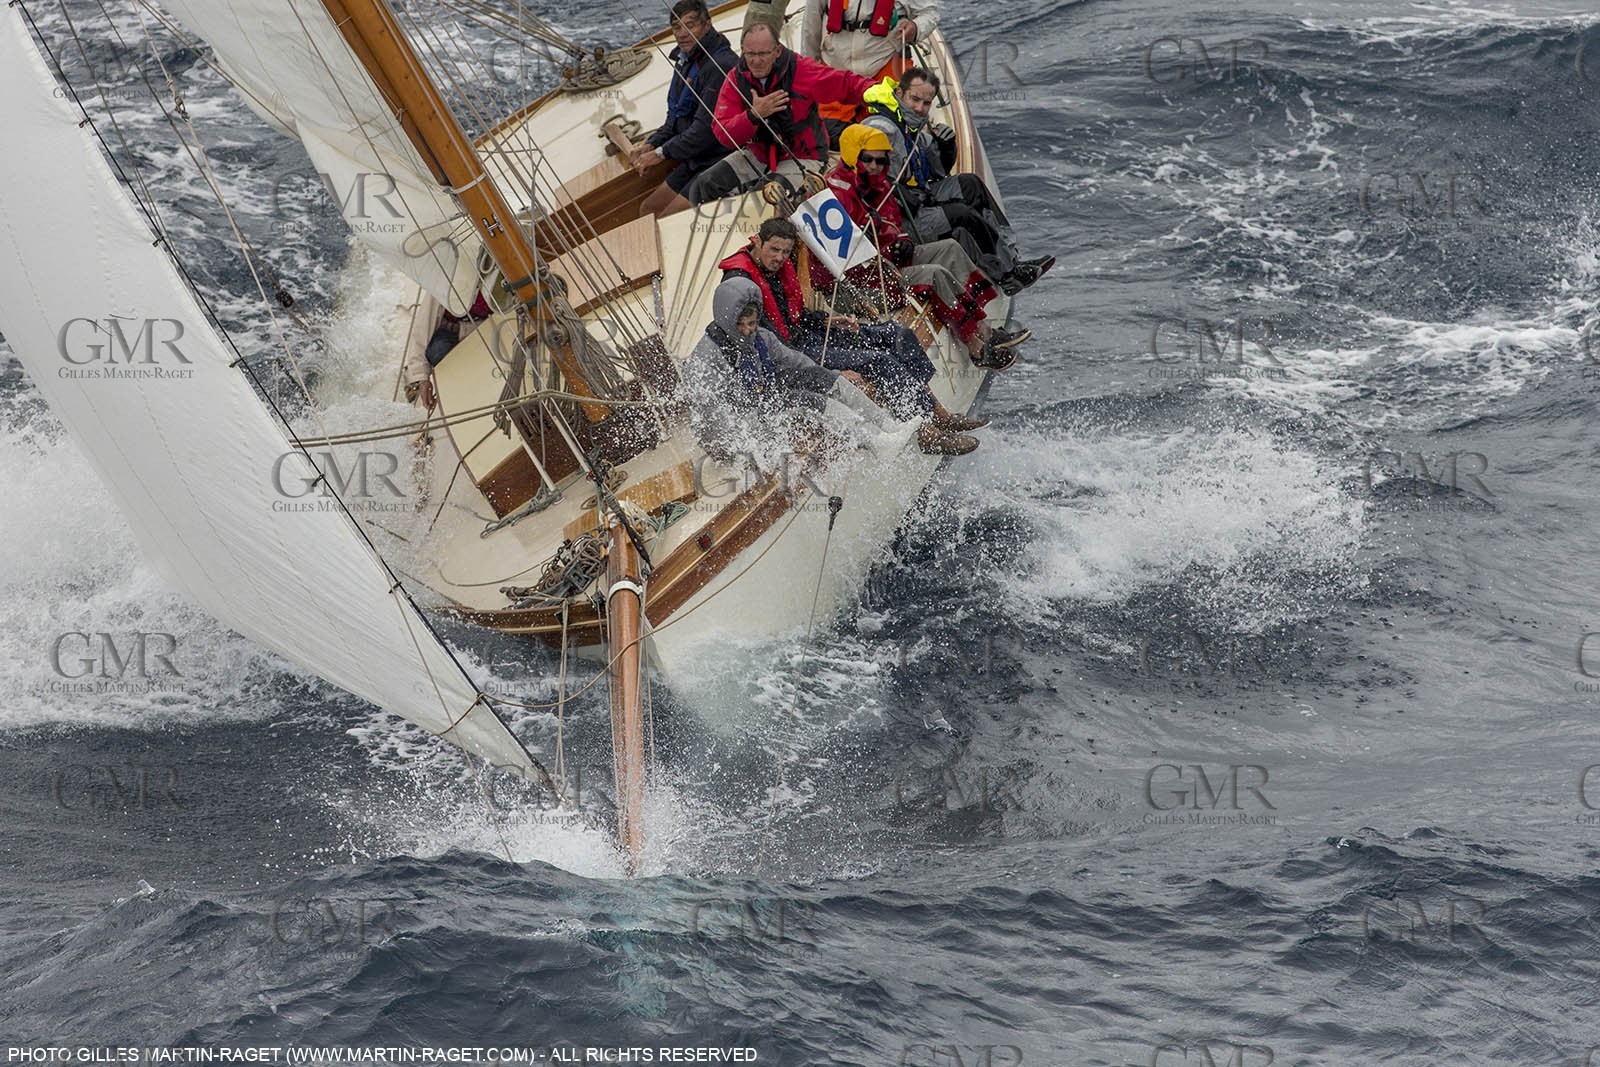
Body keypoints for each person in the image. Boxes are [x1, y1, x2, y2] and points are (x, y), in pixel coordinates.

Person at [720, 217, 985, 453]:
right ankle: (926, 433)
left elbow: (795, 317)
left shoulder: (778, 269)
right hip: (791, 356)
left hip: (805, 336)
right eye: (773, 249)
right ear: (758, 242)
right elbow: (761, 343)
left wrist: (828, 321)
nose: (779, 257)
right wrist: (828, 372)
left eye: (785, 252)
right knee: (877, 360)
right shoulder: (740, 280)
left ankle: (938, 412)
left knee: (895, 333)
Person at [823, 123, 1029, 369]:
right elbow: (849, 255)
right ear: (852, 156)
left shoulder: (879, 185)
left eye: (881, 160)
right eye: (868, 159)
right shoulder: (838, 197)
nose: (875, 166)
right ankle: (975, 349)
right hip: (867, 282)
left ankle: (984, 328)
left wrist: (901, 243)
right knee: (934, 275)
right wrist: (888, 248)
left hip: (890, 260)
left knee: (950, 248)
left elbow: (893, 225)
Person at [862, 67, 1055, 294]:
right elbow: (865, 174)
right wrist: (896, 191)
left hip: (920, 198)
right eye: (914, 99)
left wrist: (946, 147)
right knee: (962, 215)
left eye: (926, 104)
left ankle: (1012, 261)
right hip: (899, 218)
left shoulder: (910, 126)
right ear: (900, 93)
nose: (919, 108)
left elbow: (938, 170)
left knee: (970, 185)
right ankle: (1005, 276)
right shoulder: (881, 128)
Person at [683, 276, 914, 458]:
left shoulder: (760, 338)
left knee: (823, 378)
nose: (747, 331)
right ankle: (875, 442)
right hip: (737, 433)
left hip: (762, 403)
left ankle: (887, 426)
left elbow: (798, 364)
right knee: (809, 401)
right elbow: (711, 423)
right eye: (740, 325)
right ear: (726, 322)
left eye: (752, 323)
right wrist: (756, 450)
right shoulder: (706, 361)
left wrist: (829, 376)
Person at [685, 22, 876, 206]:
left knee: (764, 198)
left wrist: (872, 91)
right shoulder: (735, 79)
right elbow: (722, 133)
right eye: (750, 54)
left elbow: (843, 84)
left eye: (763, 54)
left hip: (804, 155)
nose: (756, 61)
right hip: (760, 154)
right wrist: (753, 115)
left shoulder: (800, 70)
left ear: (777, 51)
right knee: (703, 186)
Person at [630, 0, 739, 218]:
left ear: (707, 25)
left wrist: (660, 154)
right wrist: (652, 143)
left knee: (665, 220)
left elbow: (704, 132)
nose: (682, 34)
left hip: (720, 160)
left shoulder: (721, 66)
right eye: (676, 27)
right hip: (696, 159)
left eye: (690, 25)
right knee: (647, 211)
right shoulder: (686, 60)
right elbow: (675, 118)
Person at [799, 0, 938, 142]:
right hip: (837, 70)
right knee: (829, 135)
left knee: (890, 133)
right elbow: (811, 23)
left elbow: (930, 12)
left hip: (884, 64)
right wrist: (809, 71)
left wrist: (916, 28)